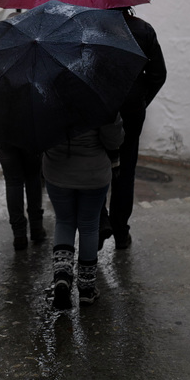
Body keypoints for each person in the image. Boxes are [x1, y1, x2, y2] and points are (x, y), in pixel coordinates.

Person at [99, 7, 167, 250]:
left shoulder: (94, 29)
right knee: (125, 170)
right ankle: (120, 231)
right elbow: (159, 73)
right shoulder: (143, 30)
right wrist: (140, 99)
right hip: (131, 112)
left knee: (98, 165)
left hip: (101, 108)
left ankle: (99, 224)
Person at [43, 116, 124, 309]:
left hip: (57, 170)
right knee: (89, 226)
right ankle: (87, 290)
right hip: (93, 173)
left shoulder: (44, 93)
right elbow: (114, 140)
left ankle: (62, 279)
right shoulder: (101, 99)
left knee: (64, 221)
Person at [0, 139, 46, 250]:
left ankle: (19, 234)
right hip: (30, 135)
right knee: (33, 176)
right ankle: (36, 227)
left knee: (13, 182)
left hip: (2, 135)